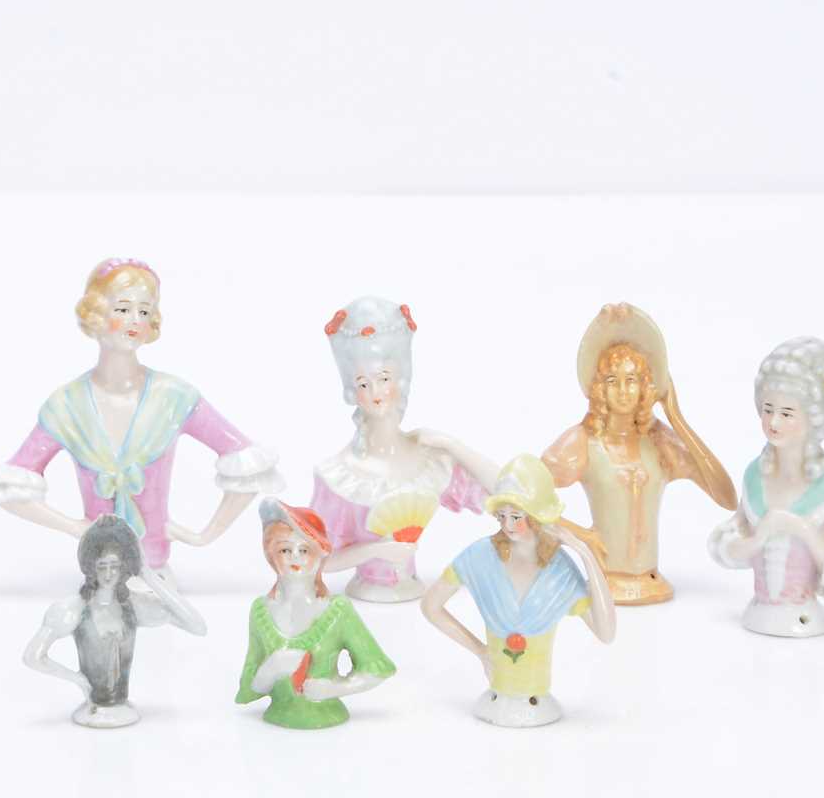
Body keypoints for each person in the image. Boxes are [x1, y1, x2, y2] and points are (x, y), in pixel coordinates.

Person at [0, 258, 282, 586]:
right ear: (96, 313)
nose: (135, 320)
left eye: (144, 310)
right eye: (123, 309)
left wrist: (205, 535)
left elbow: (247, 462)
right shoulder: (67, 406)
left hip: (156, 573)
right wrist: (76, 528)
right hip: (99, 574)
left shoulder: (174, 397)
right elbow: (10, 488)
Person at [541, 302, 736, 605]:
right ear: (599, 388)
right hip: (604, 583)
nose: (622, 390)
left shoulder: (659, 442)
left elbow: (726, 498)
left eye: (631, 380)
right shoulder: (582, 441)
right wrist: (579, 536)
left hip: (653, 583)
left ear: (646, 386)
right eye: (612, 381)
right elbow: (523, 494)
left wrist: (677, 418)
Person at [309, 296, 498, 602]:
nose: (376, 392)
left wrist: (453, 446)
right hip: (364, 599)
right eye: (363, 383)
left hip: (416, 598)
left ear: (400, 381)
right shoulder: (337, 475)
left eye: (384, 379)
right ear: (353, 390)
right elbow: (317, 559)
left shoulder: (430, 460)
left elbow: (507, 491)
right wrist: (376, 550)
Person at [421, 455, 615, 728]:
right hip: (495, 700)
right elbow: (430, 606)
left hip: (540, 704)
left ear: (537, 516)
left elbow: (606, 633)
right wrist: (480, 651)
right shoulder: (480, 557)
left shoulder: (559, 570)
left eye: (516, 517)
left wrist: (585, 554)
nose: (508, 525)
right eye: (502, 516)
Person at [709, 337, 824, 637]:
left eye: (787, 413)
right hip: (756, 614)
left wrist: (798, 527)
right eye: (767, 409)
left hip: (805, 615)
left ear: (814, 418)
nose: (773, 422)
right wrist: (758, 539)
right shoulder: (754, 475)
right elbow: (730, 543)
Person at [23, 515, 206, 728]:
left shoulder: (134, 605)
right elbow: (32, 657)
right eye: (102, 566)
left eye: (115, 565)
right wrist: (78, 680)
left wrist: (147, 574)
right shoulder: (73, 609)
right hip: (92, 711)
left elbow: (197, 626)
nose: (109, 574)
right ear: (91, 566)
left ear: (124, 566)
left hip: (124, 711)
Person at [236, 499, 396, 729]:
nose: (295, 557)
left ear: (321, 555)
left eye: (304, 550)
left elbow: (377, 669)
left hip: (329, 720)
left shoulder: (337, 611)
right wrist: (270, 669)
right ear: (271, 555)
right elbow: (250, 689)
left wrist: (333, 689)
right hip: (275, 721)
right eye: (285, 550)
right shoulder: (261, 610)